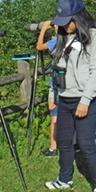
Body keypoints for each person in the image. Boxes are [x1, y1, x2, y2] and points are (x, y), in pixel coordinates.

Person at [44, 0, 96, 192]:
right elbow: (57, 69)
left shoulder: (95, 39)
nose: (63, 25)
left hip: (84, 100)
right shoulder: (63, 38)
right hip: (64, 99)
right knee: (63, 141)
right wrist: (54, 93)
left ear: (78, 17)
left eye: (67, 21)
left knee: (87, 144)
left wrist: (85, 101)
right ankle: (64, 180)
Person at [36, 21, 59, 157]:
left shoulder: (57, 40)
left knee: (55, 117)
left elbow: (39, 47)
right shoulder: (68, 39)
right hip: (68, 83)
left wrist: (43, 29)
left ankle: (53, 148)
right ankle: (75, 145)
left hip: (56, 82)